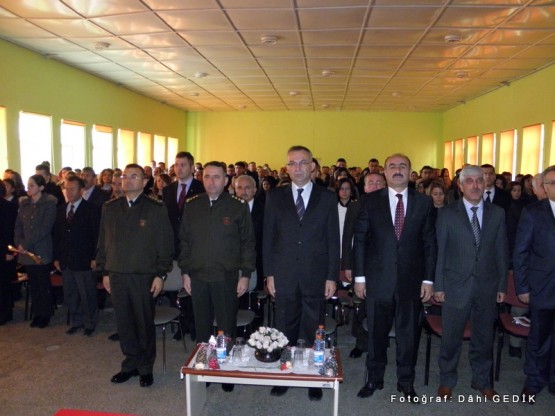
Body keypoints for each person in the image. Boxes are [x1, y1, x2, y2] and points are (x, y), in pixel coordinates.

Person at [353, 153, 436, 401]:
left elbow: (430, 243)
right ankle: (374, 379)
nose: (397, 170)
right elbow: (360, 241)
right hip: (378, 281)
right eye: (392, 166)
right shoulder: (370, 201)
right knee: (376, 335)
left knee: (408, 336)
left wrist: (428, 280)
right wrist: (359, 277)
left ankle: (406, 383)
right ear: (385, 172)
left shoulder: (424, 202)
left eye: (402, 166)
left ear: (410, 172)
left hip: (411, 282)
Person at [263, 145, 340, 401]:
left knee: (312, 327)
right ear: (286, 168)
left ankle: (311, 377)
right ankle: (285, 373)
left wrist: (331, 276)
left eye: (303, 162)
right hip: (283, 273)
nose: (297, 167)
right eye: (292, 163)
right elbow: (268, 238)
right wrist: (269, 274)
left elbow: (333, 240)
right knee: (284, 325)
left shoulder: (327, 197)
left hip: (315, 274)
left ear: (313, 166)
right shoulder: (275, 196)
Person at [179, 162, 255, 393]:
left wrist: (245, 275)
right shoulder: (192, 206)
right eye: (207, 177)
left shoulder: (238, 207)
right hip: (198, 276)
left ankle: (225, 369)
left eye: (216, 177)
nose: (211, 181)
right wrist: (185, 272)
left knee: (226, 326)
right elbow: (184, 242)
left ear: (226, 180)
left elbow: (248, 244)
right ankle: (204, 368)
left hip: (226, 277)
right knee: (201, 327)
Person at [434, 165, 508, 400]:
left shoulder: (497, 213)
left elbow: (502, 252)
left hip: (487, 286)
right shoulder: (447, 214)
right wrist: (438, 286)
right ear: (460, 185)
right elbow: (440, 252)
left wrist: (502, 286)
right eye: (470, 181)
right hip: (455, 287)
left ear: (485, 184)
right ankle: (447, 381)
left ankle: (482, 381)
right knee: (451, 339)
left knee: (484, 339)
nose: (475, 185)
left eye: (479, 181)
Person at [96, 164, 174, 388]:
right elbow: (103, 242)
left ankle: (146, 367)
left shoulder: (155, 208)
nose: (127, 180)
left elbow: (165, 244)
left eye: (134, 176)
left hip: (143, 276)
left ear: (145, 182)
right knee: (124, 323)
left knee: (143, 323)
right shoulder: (110, 208)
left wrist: (160, 274)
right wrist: (104, 271)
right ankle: (130, 363)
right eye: (124, 176)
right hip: (117, 274)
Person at [513, 165, 555, 402]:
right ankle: (534, 381)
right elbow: (520, 252)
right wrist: (523, 287)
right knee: (539, 337)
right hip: (542, 287)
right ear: (544, 187)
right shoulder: (533, 212)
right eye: (552, 183)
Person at [343, 172, 386, 359]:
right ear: (365, 187)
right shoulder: (355, 206)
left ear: (384, 185)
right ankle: (361, 342)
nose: (375, 186)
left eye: (378, 183)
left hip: (383, 265)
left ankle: (379, 342)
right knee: (361, 305)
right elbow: (348, 237)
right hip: (360, 264)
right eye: (371, 183)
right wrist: (348, 265)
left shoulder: (392, 204)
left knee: (380, 306)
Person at [53, 176, 100, 336]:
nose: (69, 192)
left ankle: (90, 323)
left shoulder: (91, 209)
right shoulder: (61, 209)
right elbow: (57, 235)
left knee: (87, 294)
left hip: (84, 259)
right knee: (71, 294)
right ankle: (76, 321)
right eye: (67, 189)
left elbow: (97, 235)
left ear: (81, 190)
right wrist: (57, 257)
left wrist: (95, 257)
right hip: (66, 259)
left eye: (72, 189)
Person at [14, 174, 58, 328]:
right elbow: (18, 226)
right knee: (33, 284)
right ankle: (37, 313)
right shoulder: (24, 204)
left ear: (41, 187)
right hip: (26, 251)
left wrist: (25, 243)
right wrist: (19, 243)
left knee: (43, 284)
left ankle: (45, 314)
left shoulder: (49, 204)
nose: (28, 188)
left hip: (41, 249)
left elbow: (45, 228)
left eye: (32, 185)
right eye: (28, 185)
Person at [0, 181, 18, 325]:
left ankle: (5, 313)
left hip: (4, 250)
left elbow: (9, 230)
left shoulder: (7, 206)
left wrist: (8, 250)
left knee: (4, 283)